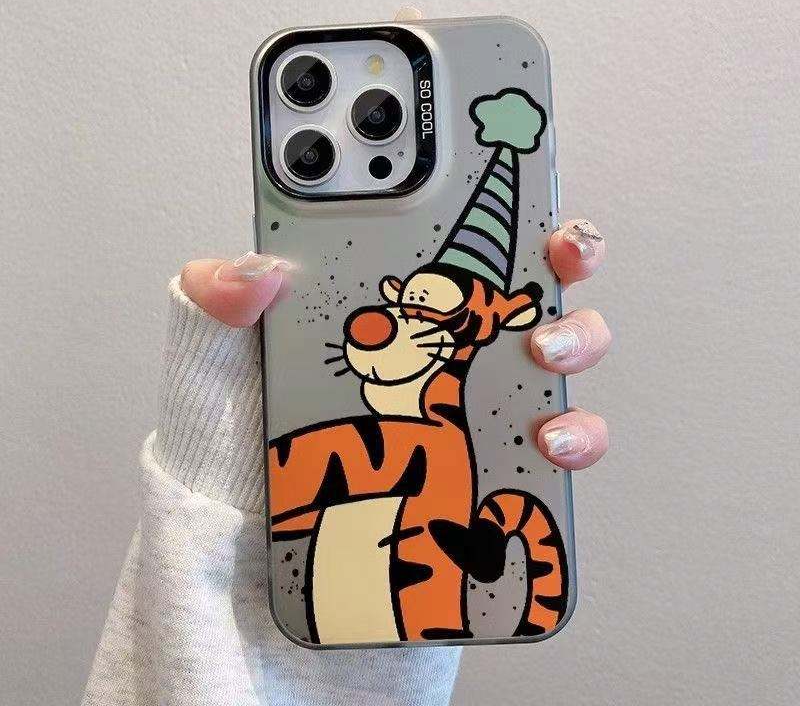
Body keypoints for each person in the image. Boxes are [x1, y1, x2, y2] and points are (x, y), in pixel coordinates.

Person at [80, 215, 609, 706]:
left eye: (429, 314)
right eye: (405, 305)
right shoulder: (395, 442)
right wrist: (225, 457)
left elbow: (309, 471)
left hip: (393, 598)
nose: (379, 325)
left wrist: (215, 487)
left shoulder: (413, 444)